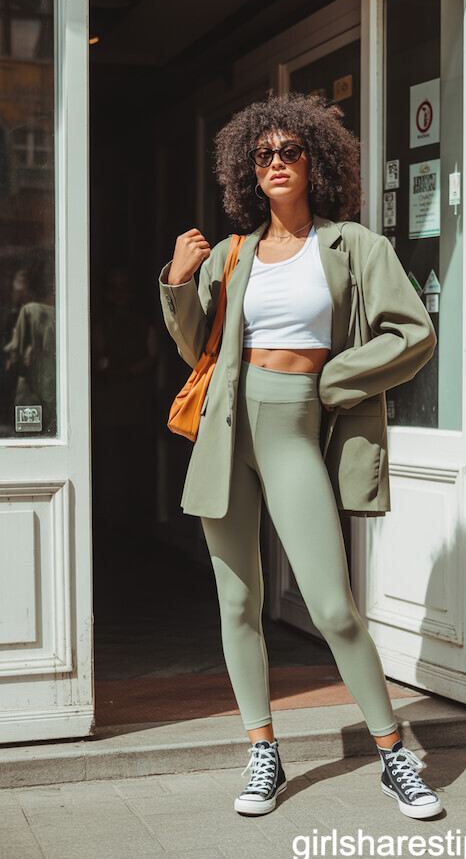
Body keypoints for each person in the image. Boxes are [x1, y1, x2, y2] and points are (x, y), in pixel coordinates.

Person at [158, 92, 441, 820]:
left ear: (316, 160)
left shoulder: (354, 246)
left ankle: (393, 752)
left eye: (289, 151)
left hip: (294, 430)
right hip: (227, 434)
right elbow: (199, 349)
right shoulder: (233, 252)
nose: (276, 163)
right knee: (239, 602)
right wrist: (179, 281)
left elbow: (412, 335)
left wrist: (334, 378)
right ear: (247, 171)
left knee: (332, 608)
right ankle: (262, 750)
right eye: (263, 155)